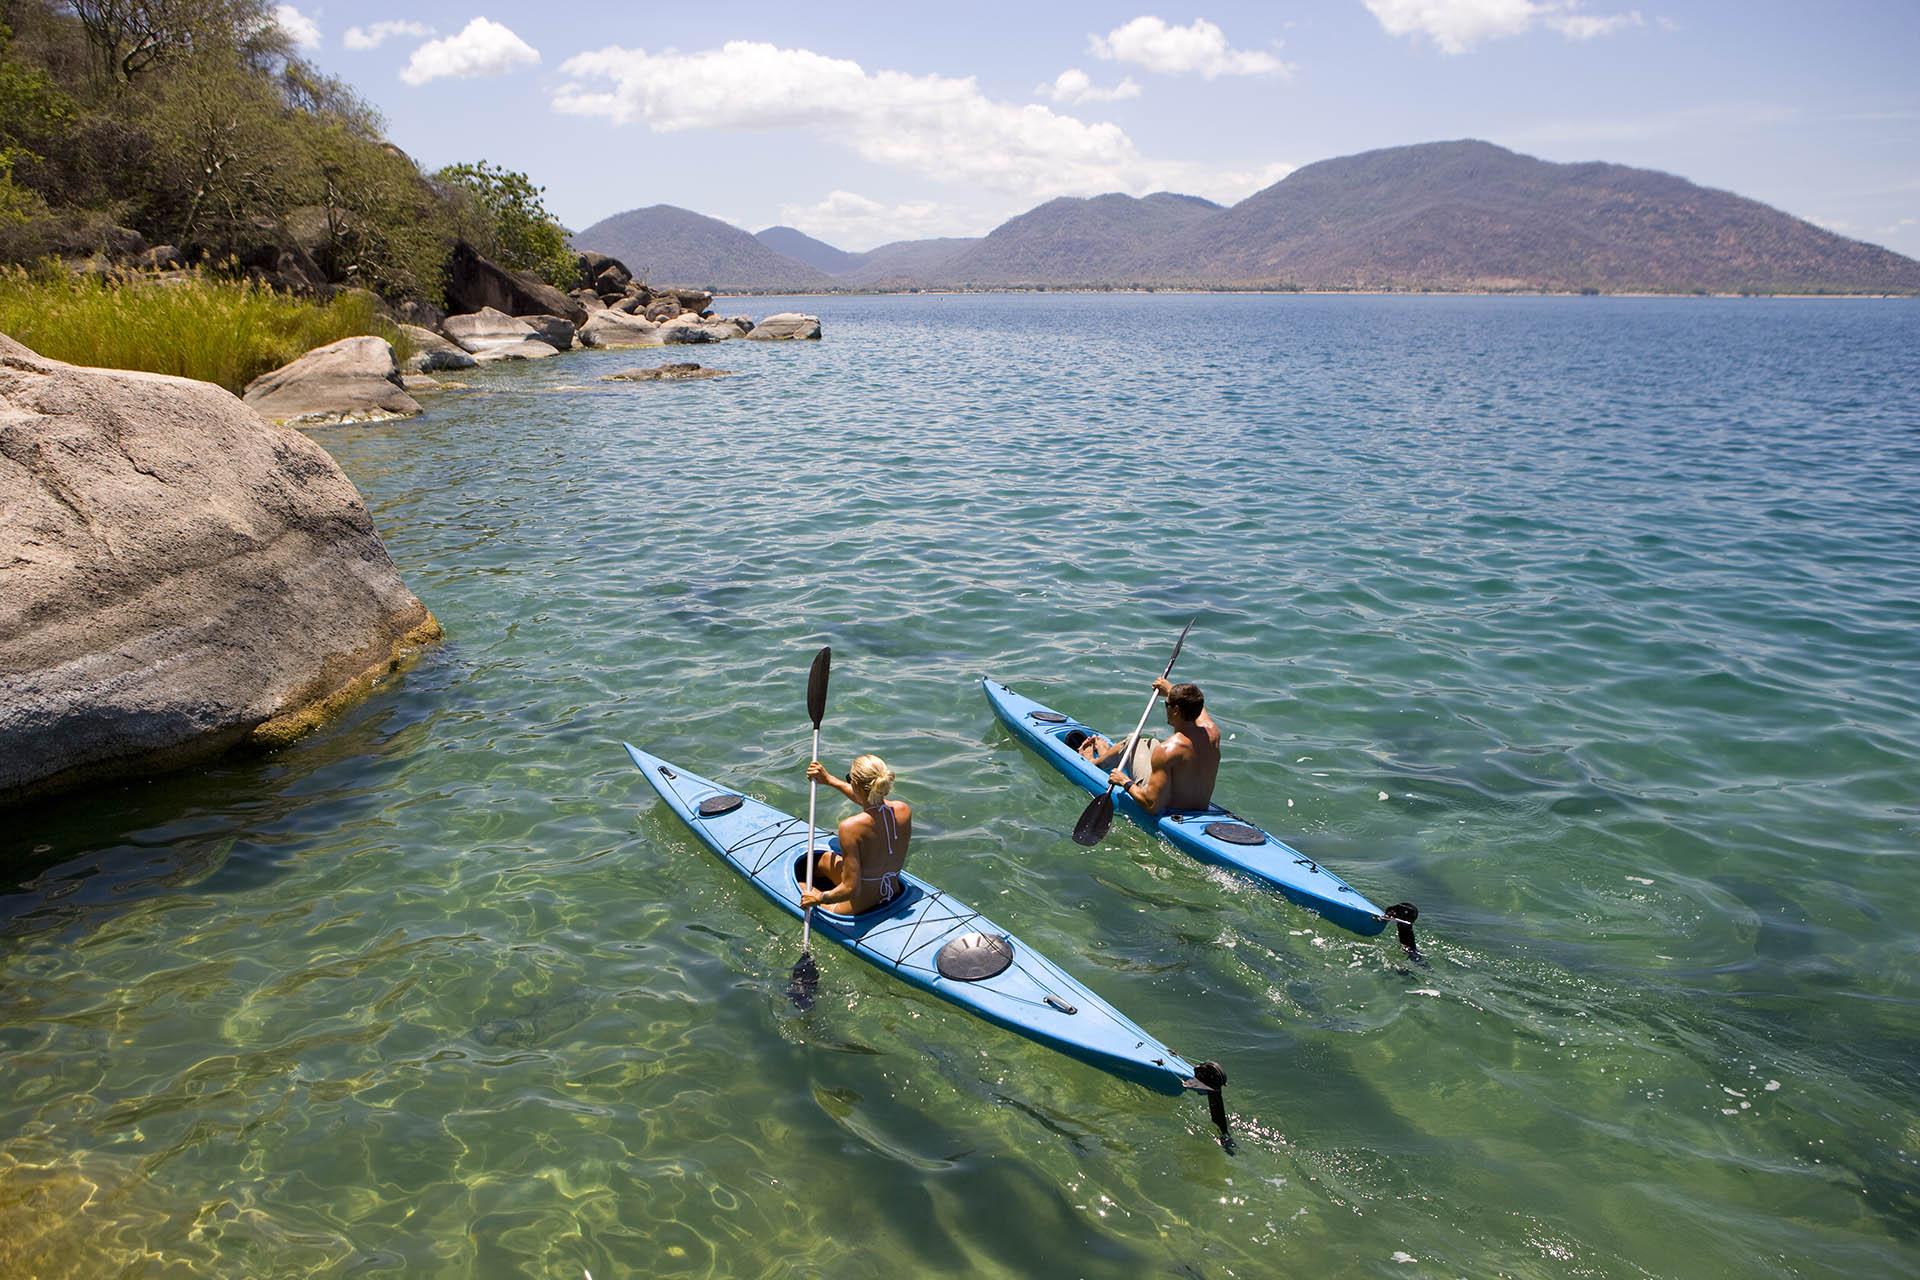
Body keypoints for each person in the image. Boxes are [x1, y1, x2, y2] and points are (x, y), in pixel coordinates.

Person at [1075, 677, 1221, 814]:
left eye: (1167, 704)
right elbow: (1197, 707)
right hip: (1200, 806)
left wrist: (1124, 781)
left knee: (1133, 740)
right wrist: (1168, 688)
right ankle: (1107, 754)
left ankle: (1094, 763)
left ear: (1176, 710)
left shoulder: (1168, 750)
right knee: (1150, 742)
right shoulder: (1212, 732)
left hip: (1170, 809)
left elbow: (1152, 806)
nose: (1166, 708)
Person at [799, 753, 912, 915]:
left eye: (849, 779)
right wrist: (829, 780)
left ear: (856, 786)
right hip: (893, 890)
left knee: (802, 884)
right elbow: (871, 802)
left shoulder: (850, 827)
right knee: (824, 861)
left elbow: (851, 888)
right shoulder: (904, 810)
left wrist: (819, 897)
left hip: (859, 904)